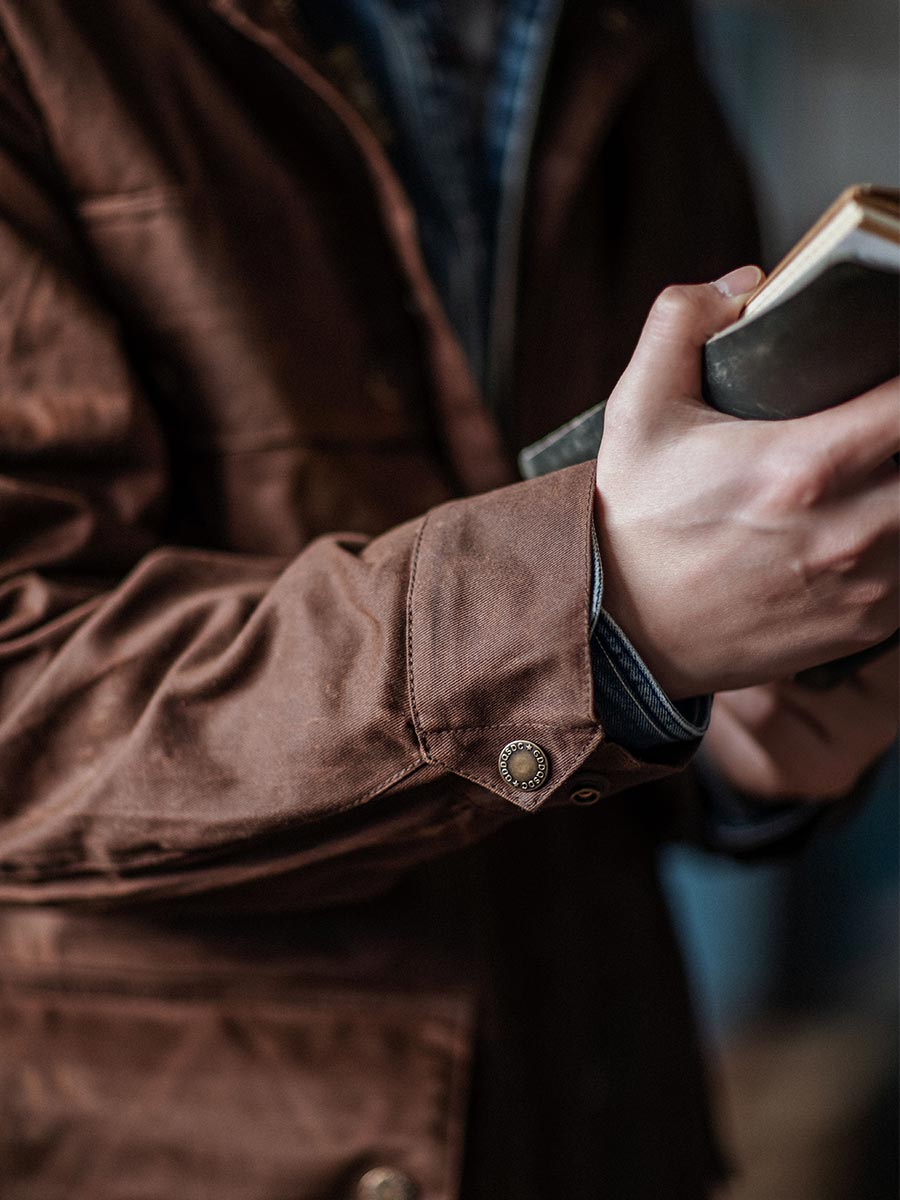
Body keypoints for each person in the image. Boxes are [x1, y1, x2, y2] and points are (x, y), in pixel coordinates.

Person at [0, 2, 896, 1197]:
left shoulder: (625, 27)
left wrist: (740, 731)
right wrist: (602, 613)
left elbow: (624, 628)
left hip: (605, 1118)